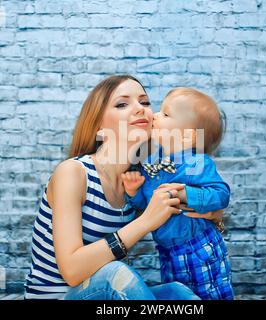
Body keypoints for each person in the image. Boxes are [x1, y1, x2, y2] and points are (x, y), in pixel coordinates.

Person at [24, 75, 222, 300]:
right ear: (98, 125)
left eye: (145, 102)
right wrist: (146, 220)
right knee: (115, 273)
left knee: (176, 292)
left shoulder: (140, 183)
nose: (140, 109)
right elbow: (72, 271)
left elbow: (189, 211)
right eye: (122, 104)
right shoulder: (73, 173)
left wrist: (210, 211)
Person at [122, 87, 234, 300]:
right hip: (167, 253)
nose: (154, 116)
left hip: (198, 248)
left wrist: (187, 195)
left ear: (187, 137)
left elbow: (221, 194)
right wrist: (133, 192)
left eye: (165, 114)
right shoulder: (153, 163)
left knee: (210, 295)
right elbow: (146, 206)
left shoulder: (197, 163)